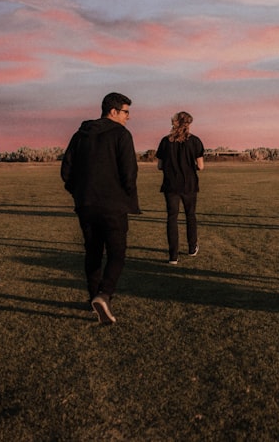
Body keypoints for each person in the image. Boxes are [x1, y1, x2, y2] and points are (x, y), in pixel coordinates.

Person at [61, 92, 141, 325]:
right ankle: (103, 295)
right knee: (117, 253)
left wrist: (78, 192)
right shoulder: (121, 134)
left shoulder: (80, 135)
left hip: (85, 204)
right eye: (126, 112)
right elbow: (129, 172)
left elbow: (66, 171)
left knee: (93, 252)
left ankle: (93, 298)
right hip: (113, 205)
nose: (129, 117)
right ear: (113, 111)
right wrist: (125, 194)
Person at [156, 111, 205, 265]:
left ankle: (173, 256)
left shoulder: (165, 141)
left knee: (172, 218)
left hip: (171, 185)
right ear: (188, 124)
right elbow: (201, 166)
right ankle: (192, 248)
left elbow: (159, 166)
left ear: (174, 122)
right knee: (190, 215)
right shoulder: (195, 141)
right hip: (189, 184)